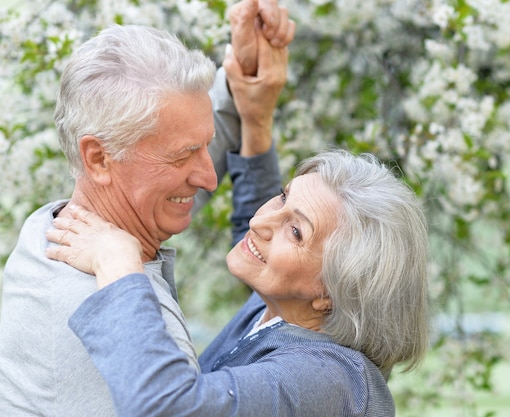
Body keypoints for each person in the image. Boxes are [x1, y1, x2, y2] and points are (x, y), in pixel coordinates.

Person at [0, 1, 295, 415]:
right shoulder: (131, 333)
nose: (209, 177)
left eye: (205, 147)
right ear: (100, 158)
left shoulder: (57, 224)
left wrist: (243, 78)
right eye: (184, 156)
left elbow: (170, 137)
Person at [46, 149, 430, 416]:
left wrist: (117, 264)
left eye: (295, 231)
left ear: (331, 292)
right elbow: (255, 235)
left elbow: (167, 408)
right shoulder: (279, 309)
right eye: (282, 197)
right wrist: (256, 123)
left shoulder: (335, 383)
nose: (260, 223)